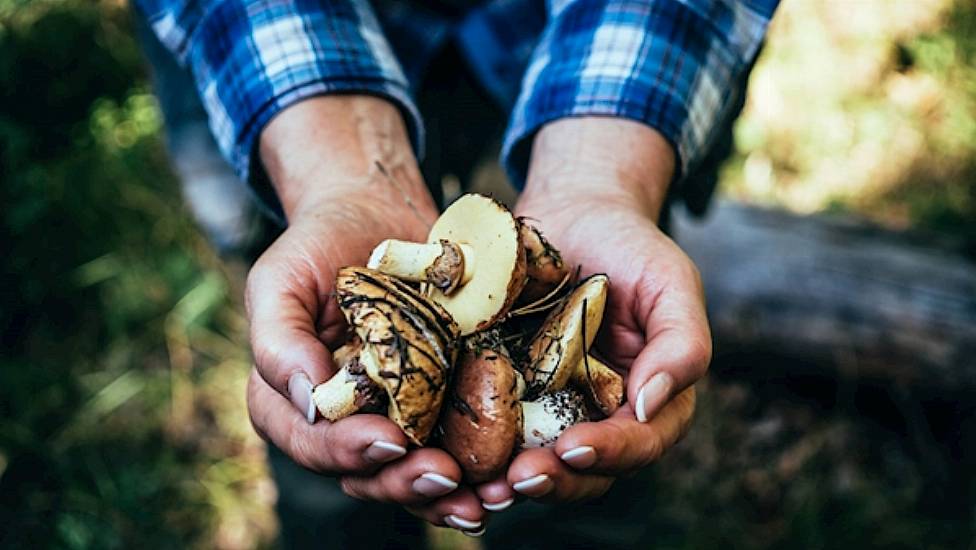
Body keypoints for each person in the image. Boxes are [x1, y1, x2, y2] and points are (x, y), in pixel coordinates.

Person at [134, 0, 778, 547]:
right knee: (316, 401)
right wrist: (339, 174)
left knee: (584, 481)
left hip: (570, 59)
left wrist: (598, 176)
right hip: (282, 83)